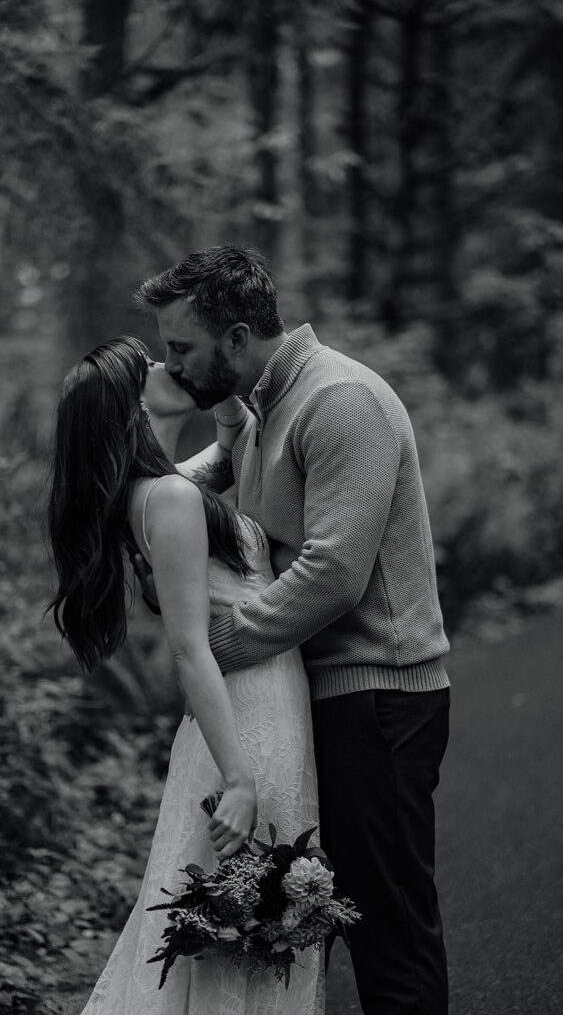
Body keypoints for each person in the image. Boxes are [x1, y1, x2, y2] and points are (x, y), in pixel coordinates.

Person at [132, 244, 452, 1015]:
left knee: (389, 933)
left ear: (237, 338)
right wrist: (163, 417)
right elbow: (180, 500)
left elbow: (334, 573)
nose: (169, 365)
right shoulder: (264, 407)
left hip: (378, 693)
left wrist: (216, 648)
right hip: (322, 694)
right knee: (316, 921)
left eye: (181, 349)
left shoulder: (338, 401)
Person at [47, 337, 325, 1014]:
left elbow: (232, 441)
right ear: (130, 404)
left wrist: (222, 395)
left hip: (262, 698)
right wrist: (236, 778)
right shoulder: (167, 497)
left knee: (251, 921)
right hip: (245, 714)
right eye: (144, 367)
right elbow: (188, 649)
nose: (162, 365)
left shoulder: (164, 486)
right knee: (246, 921)